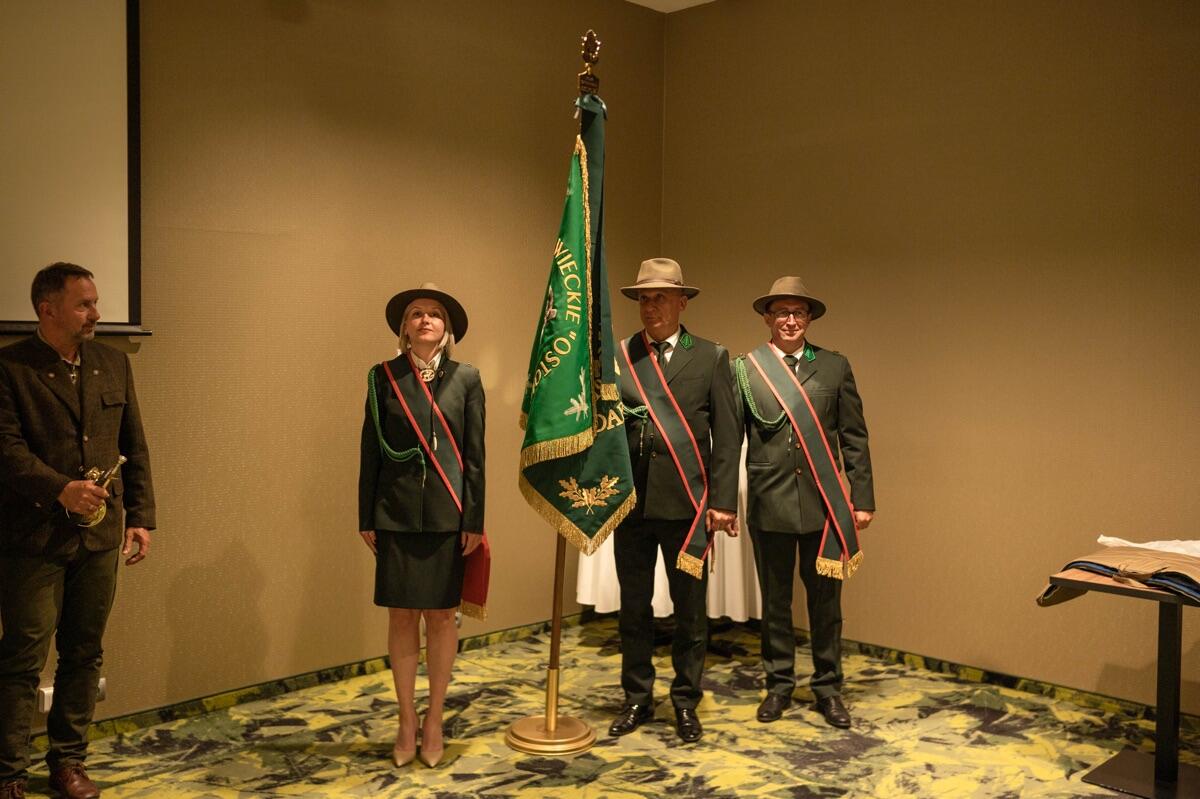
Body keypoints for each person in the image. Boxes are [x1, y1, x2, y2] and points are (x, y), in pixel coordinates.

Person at [0, 263, 155, 799]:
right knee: (22, 658)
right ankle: (8, 773)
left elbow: (132, 444)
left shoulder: (112, 362)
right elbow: (5, 449)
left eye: (95, 302)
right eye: (84, 304)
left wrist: (140, 516)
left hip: (99, 536)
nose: (96, 313)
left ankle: (68, 763)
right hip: (32, 538)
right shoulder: (10, 368)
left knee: (84, 652)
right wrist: (59, 488)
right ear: (48, 310)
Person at [608, 258, 740, 744]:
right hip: (632, 505)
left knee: (690, 611)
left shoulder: (710, 356)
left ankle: (686, 700)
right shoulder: (620, 355)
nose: (651, 306)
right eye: (644, 298)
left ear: (682, 302)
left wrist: (723, 502)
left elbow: (727, 437)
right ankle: (637, 697)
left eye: (661, 297)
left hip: (688, 506)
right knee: (633, 608)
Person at [734, 276, 875, 729]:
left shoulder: (834, 366)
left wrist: (862, 498)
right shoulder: (746, 369)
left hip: (823, 505)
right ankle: (778, 685)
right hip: (768, 502)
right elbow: (729, 441)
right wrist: (721, 501)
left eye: (798, 312)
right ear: (767, 319)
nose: (790, 321)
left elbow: (854, 437)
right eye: (781, 313)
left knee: (825, 606)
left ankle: (828, 688)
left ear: (809, 318)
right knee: (775, 604)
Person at [358, 283, 486, 769]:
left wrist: (474, 518)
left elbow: (475, 457)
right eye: (416, 314)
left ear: (446, 327)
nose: (426, 319)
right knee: (400, 616)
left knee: (440, 618)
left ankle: (434, 718)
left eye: (435, 314)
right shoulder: (382, 377)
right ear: (404, 328)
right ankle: (406, 717)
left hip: (447, 516)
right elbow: (370, 449)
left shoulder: (467, 378)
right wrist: (366, 515)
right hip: (394, 514)